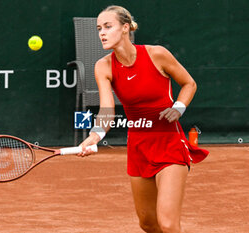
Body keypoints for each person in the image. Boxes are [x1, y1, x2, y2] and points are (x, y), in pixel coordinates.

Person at [79, 5, 209, 233]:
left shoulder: (156, 54)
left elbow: (189, 83)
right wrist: (94, 136)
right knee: (148, 224)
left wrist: (178, 108)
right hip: (138, 147)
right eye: (99, 28)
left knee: (168, 224)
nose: (102, 33)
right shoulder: (103, 66)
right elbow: (107, 110)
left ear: (125, 28)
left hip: (169, 144)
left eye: (108, 27)